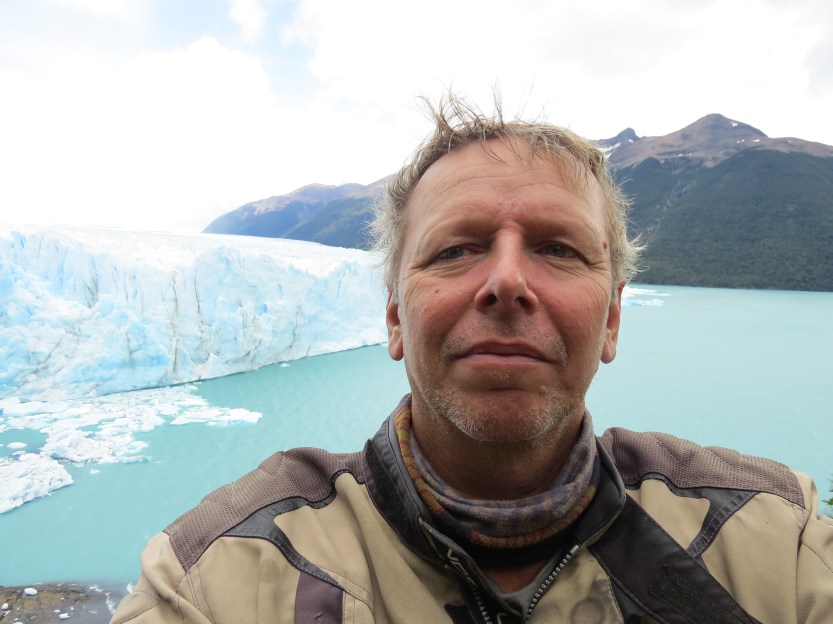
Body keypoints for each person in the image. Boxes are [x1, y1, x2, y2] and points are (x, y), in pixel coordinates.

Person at [111, 95, 833, 624]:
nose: (507, 283)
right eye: (455, 249)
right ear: (395, 315)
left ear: (611, 319)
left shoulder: (772, 543)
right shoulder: (223, 577)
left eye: (557, 248)